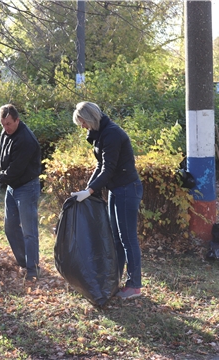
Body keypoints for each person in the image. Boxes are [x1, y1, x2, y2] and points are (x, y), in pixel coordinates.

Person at [70, 101, 143, 299]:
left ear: (90, 118)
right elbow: (100, 165)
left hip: (127, 189)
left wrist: (91, 190)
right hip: (116, 189)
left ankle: (135, 285)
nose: (83, 127)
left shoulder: (111, 134)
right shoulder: (100, 133)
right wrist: (87, 189)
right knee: (116, 239)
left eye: (83, 123)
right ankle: (114, 280)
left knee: (128, 239)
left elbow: (108, 168)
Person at [0, 104, 42, 280]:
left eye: (9, 124)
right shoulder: (5, 133)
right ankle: (23, 262)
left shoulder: (26, 140)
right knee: (10, 227)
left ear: (17, 120)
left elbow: (16, 168)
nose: (6, 128)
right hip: (13, 187)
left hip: (27, 186)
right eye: (3, 124)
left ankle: (33, 268)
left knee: (29, 230)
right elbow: (1, 152)